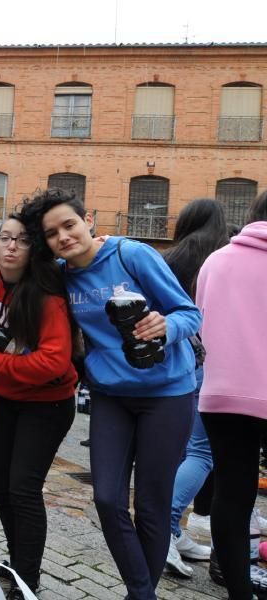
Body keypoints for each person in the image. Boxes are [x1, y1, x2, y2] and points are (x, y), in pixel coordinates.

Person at [20, 189, 200, 600]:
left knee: (153, 507)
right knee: (106, 497)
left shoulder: (131, 255)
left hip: (168, 393)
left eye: (69, 224)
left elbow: (190, 313)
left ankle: (138, 594)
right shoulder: (62, 276)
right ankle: (144, 594)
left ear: (89, 220)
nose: (64, 237)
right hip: (111, 396)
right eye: (52, 233)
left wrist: (166, 328)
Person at [0, 212, 77, 597]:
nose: (11, 245)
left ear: (33, 249)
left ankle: (27, 580)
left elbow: (55, 361)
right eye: (4, 238)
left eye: (21, 240)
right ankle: (20, 559)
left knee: (24, 488)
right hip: (8, 398)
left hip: (49, 402)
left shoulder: (45, 293)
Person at [197, 191, 267, 600]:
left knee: (232, 492)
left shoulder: (216, 260)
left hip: (221, 394)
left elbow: (200, 318)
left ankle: (239, 592)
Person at [157, 199, 228, 578]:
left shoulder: (170, 258)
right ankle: (163, 529)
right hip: (209, 363)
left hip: (175, 363)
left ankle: (172, 530)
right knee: (202, 453)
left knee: (187, 450)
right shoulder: (221, 258)